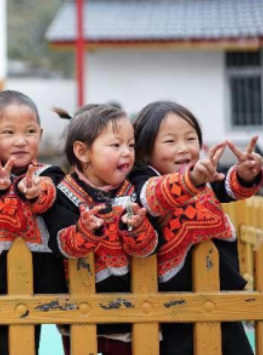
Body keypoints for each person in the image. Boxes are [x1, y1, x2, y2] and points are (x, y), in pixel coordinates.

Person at [131, 101, 262, 355]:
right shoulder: (142, 181)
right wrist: (190, 180)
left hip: (224, 296)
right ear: (145, 151)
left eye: (190, 138)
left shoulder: (204, 176)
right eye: (170, 141)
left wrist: (246, 174)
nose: (183, 148)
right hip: (174, 308)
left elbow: (228, 186)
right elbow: (151, 198)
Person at [45, 104, 158, 355]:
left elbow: (148, 248)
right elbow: (62, 245)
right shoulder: (63, 195)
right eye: (116, 145)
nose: (127, 152)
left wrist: (139, 229)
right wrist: (83, 231)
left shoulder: (136, 191)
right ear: (82, 152)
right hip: (80, 313)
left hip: (133, 313)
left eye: (131, 145)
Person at [0, 91, 66, 355]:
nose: (21, 141)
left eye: (30, 132)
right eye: (8, 132)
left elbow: (49, 193)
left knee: (23, 345)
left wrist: (32, 190)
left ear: (40, 134)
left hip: (31, 284)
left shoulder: (48, 173)